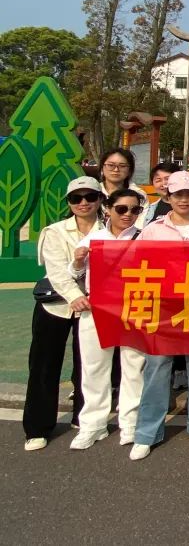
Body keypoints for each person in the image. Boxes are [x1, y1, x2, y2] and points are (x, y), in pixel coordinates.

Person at [130, 171, 189, 461]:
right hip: (163, 309)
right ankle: (147, 432)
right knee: (157, 368)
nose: (183, 199)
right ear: (167, 197)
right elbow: (137, 265)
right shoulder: (154, 229)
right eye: (178, 194)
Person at [22, 176, 103, 452]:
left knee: (88, 365)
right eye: (76, 198)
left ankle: (84, 416)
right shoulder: (54, 231)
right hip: (55, 306)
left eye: (90, 197)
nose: (84, 203)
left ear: (99, 200)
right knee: (44, 366)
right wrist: (75, 296)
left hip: (94, 309)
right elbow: (56, 272)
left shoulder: (108, 230)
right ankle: (37, 427)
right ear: (69, 203)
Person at [68, 188, 145, 450]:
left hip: (134, 307)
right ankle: (92, 424)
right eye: (122, 209)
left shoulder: (144, 238)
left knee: (134, 367)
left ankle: (130, 423)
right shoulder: (94, 239)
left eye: (135, 210)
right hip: (97, 307)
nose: (128, 215)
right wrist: (78, 262)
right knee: (94, 368)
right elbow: (74, 274)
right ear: (108, 209)